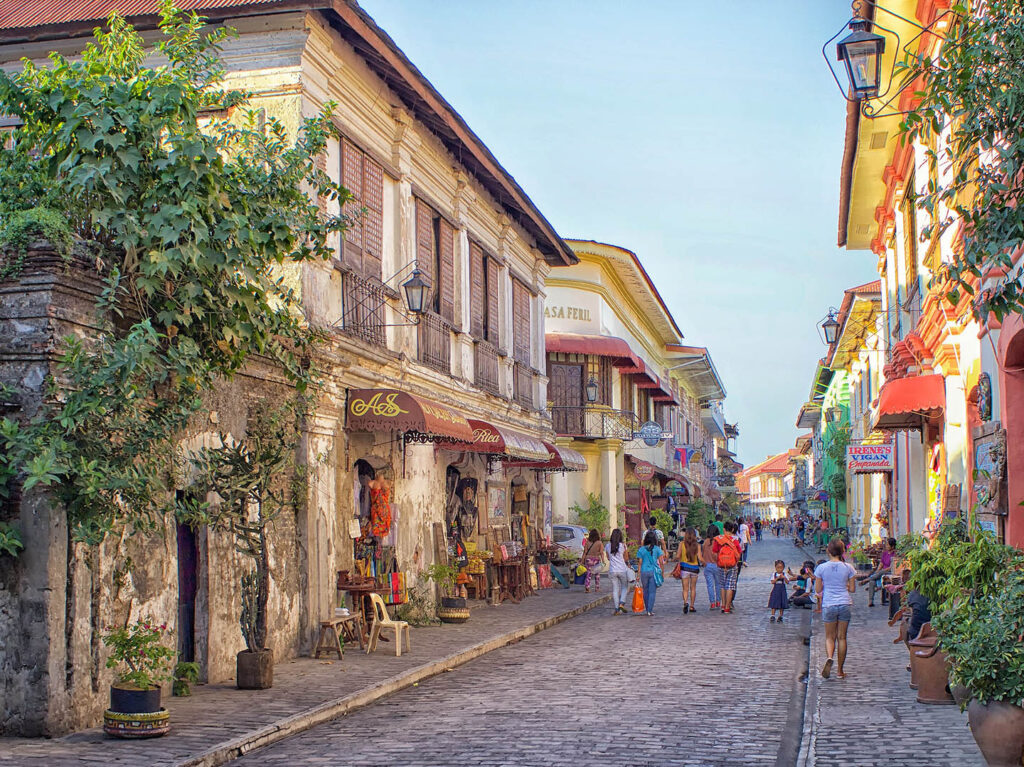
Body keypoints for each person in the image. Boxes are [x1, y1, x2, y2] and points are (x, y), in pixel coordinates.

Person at [814, 539, 856, 679]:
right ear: (842, 551)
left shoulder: (821, 568)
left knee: (829, 637)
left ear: (828, 551)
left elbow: (818, 589)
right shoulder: (848, 567)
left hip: (829, 604)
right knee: (842, 637)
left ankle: (830, 657)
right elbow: (852, 589)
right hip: (844, 603)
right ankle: (840, 671)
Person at [712, 521, 743, 614]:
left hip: (721, 565)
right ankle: (727, 607)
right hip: (732, 565)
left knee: (722, 585)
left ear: (724, 529)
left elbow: (714, 553)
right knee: (730, 585)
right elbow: (739, 553)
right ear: (733, 529)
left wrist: (718, 561)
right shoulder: (735, 541)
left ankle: (722, 605)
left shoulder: (718, 540)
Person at [857, 537, 896, 607]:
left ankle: (867, 580)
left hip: (889, 572)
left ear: (892, 546)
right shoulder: (885, 553)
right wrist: (877, 571)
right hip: (881, 572)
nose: (886, 546)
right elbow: (881, 563)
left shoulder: (895, 554)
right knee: (872, 581)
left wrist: (879, 572)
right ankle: (870, 601)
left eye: (888, 545)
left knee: (880, 573)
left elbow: (891, 567)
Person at [635, 530, 666, 616]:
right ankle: (649, 610)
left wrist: (638, 575)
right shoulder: (657, 549)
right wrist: (662, 572)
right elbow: (661, 562)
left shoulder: (641, 550)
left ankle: (647, 607)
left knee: (645, 591)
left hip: (644, 572)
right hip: (654, 572)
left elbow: (640, 563)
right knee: (652, 592)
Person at [675, 527, 702, 614]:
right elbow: (700, 558)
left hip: (684, 568)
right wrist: (705, 562)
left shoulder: (681, 544)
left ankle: (685, 602)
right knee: (693, 588)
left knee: (685, 588)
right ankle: (692, 606)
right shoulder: (697, 545)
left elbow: (678, 556)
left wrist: (673, 559)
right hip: (694, 568)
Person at [605, 528, 630, 614]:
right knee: (624, 587)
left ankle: (616, 609)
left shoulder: (608, 546)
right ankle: (621, 603)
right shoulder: (623, 546)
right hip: (622, 569)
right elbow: (626, 558)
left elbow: (608, 558)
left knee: (615, 589)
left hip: (612, 570)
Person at [701, 523, 722, 610]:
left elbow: (703, 553)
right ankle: (718, 601)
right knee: (718, 584)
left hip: (707, 565)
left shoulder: (705, 542)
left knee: (710, 585)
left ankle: (712, 603)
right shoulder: (718, 541)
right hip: (717, 565)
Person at [582, 529, 605, 593]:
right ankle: (597, 588)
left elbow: (585, 552)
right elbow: (601, 553)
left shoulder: (587, 542)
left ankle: (587, 587)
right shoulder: (599, 543)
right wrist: (603, 561)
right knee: (597, 574)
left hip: (588, 559)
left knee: (588, 574)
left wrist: (582, 561)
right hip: (596, 559)